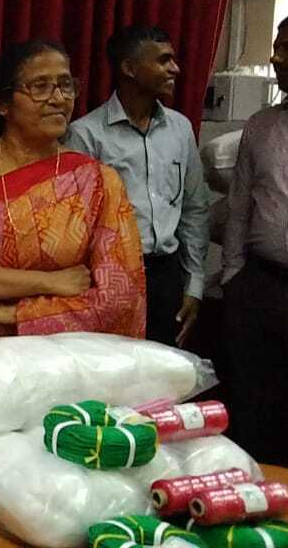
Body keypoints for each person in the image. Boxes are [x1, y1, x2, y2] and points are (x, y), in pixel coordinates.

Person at [0, 39, 146, 339]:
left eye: (65, 85)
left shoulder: (97, 181)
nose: (58, 98)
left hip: (60, 354)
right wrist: (49, 282)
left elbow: (120, 298)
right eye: (40, 87)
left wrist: (15, 315)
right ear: (1, 103)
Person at [64, 25, 210, 347]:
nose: (175, 69)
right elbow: (75, 225)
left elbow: (194, 208)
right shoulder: (86, 135)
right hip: (110, 275)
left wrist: (194, 283)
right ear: (129, 68)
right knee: (114, 366)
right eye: (163, 60)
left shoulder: (180, 128)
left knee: (165, 367)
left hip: (167, 274)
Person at [221, 10, 288, 469]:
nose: (277, 58)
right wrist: (233, 275)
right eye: (276, 49)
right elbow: (239, 204)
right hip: (259, 288)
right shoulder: (260, 125)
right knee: (254, 409)